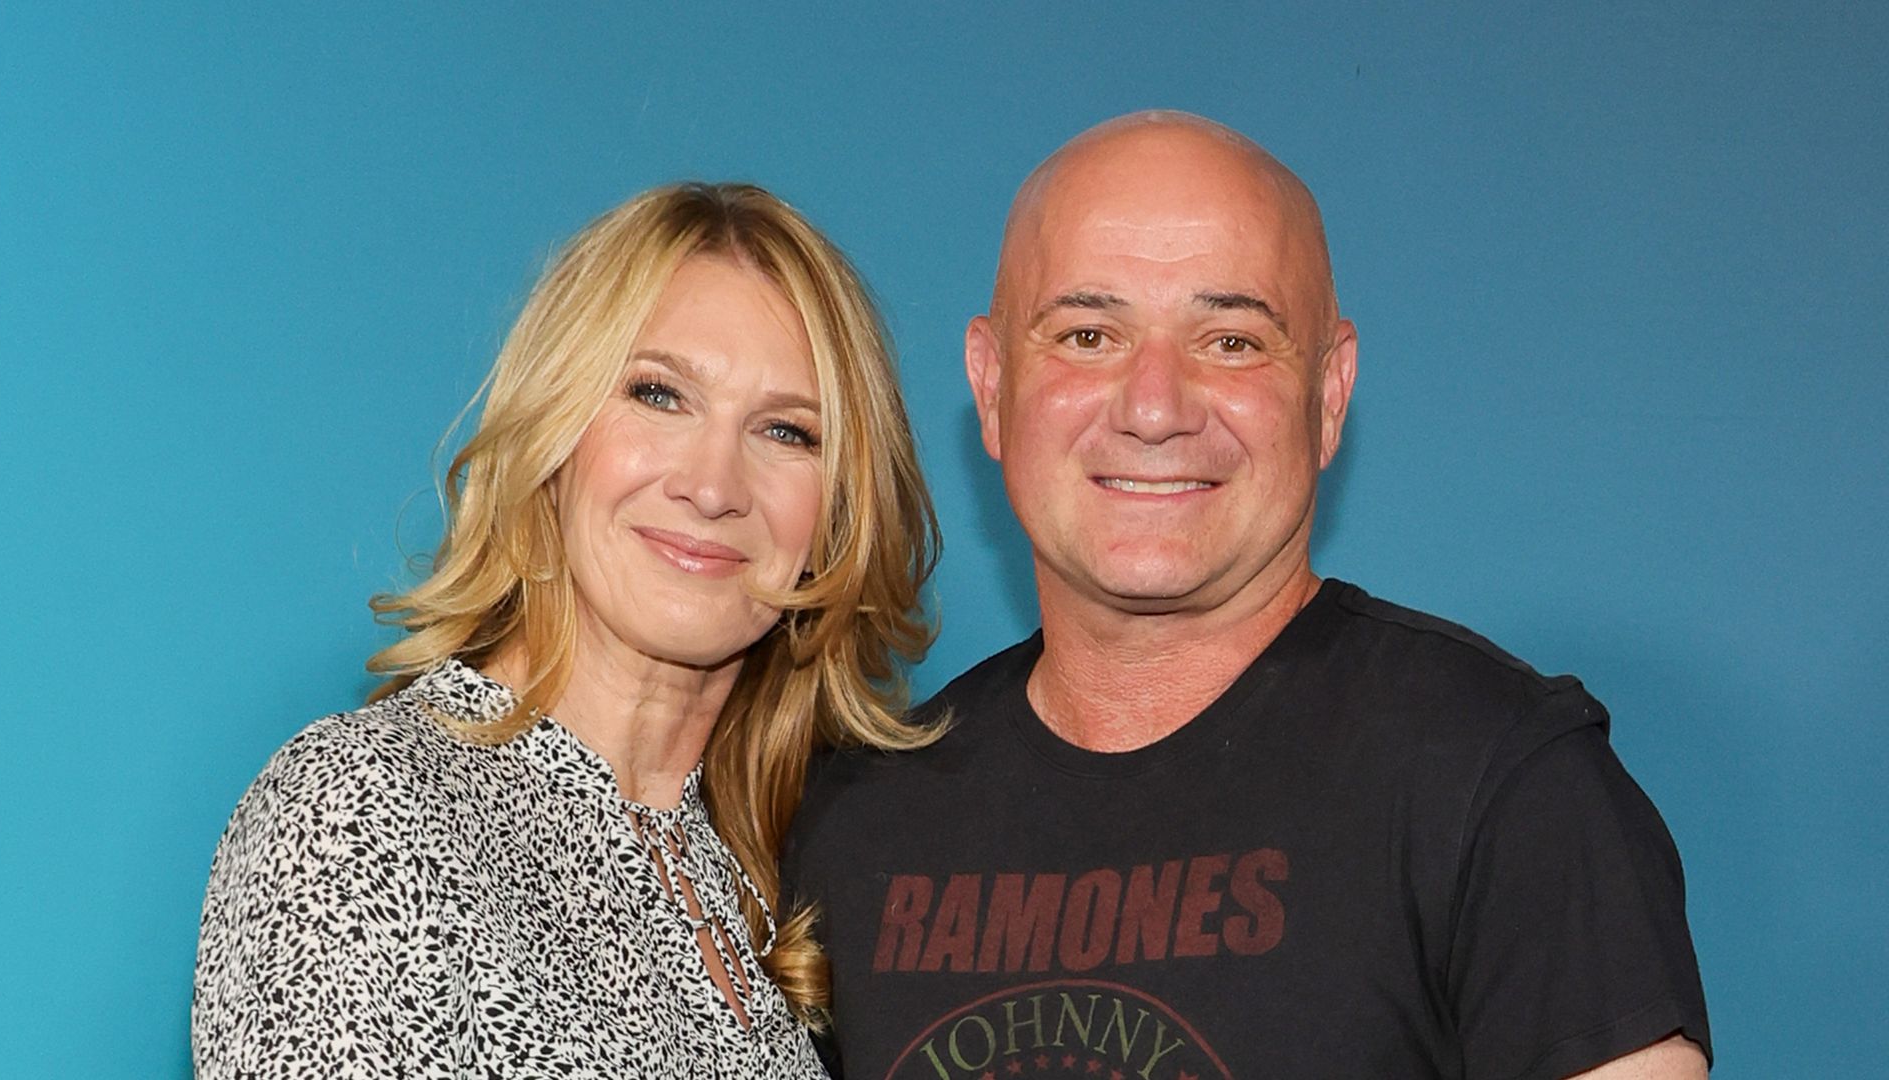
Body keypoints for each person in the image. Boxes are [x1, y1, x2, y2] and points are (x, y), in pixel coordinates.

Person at [785, 113, 1712, 1079]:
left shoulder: (1500, 786)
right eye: (1089, 334)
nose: (1154, 408)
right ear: (991, 385)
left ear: (1329, 393)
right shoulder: (858, 819)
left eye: (1230, 341)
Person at [193, 182, 939, 1078]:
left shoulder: (777, 880)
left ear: (839, 517)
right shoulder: (362, 808)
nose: (713, 486)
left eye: (787, 431)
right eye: (659, 395)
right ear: (553, 435)